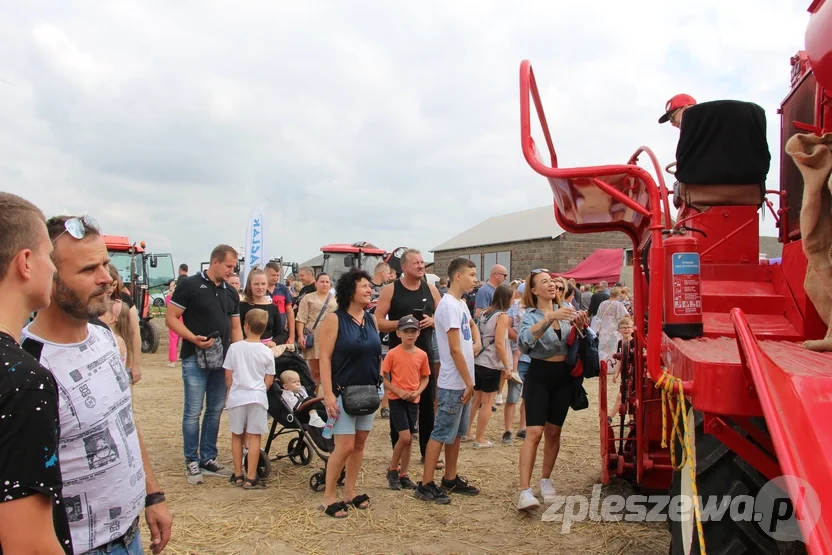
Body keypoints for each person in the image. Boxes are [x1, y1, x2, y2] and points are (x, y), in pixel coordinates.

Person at [23, 214, 172, 554]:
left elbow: (126, 421)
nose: (107, 279)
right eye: (89, 270)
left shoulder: (104, 337)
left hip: (129, 534)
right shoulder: (29, 366)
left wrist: (153, 495)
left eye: (105, 263)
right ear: (50, 275)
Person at [0, 193, 71, 554]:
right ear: (26, 262)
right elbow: (29, 546)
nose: (54, 269)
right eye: (48, 256)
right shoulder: (24, 382)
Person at [166, 245, 243, 485]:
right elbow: (170, 318)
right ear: (215, 262)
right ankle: (191, 458)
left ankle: (208, 458)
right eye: (229, 266)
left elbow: (235, 327)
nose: (232, 271)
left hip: (222, 360)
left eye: (234, 267)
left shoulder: (230, 292)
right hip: (194, 358)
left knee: (215, 410)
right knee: (193, 410)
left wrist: (239, 356)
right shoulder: (189, 285)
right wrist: (192, 338)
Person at [515, 269, 588, 511]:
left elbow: (580, 342)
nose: (551, 285)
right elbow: (524, 342)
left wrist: (581, 326)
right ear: (534, 290)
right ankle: (525, 491)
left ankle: (545, 479)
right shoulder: (530, 315)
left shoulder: (567, 312)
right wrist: (549, 317)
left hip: (563, 377)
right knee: (534, 432)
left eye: (553, 282)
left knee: (554, 433)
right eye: (544, 282)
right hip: (539, 375)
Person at [414, 258, 482, 505]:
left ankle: (450, 477)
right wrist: (468, 381)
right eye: (472, 275)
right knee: (441, 433)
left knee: (455, 435)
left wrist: (477, 341)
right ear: (458, 276)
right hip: (454, 382)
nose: (475, 279)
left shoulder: (460, 304)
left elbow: (472, 326)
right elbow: (454, 349)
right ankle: (425, 483)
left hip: (462, 381)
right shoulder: (450, 306)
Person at [318, 268, 383, 518]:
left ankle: (350, 492)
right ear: (350, 291)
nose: (370, 290)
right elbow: (324, 358)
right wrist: (328, 394)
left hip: (368, 390)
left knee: (359, 444)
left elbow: (376, 354)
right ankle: (328, 497)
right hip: (342, 393)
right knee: (343, 446)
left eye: (370, 286)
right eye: (364, 286)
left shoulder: (371, 319)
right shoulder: (335, 319)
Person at [374, 249, 442, 466]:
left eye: (422, 262)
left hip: (424, 357)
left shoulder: (431, 289)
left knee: (428, 406)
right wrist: (404, 323)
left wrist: (432, 321)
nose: (421, 266)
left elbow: (443, 318)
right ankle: (399, 455)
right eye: (416, 263)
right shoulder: (390, 290)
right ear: (404, 267)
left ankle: (427, 453)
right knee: (399, 403)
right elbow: (377, 321)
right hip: (399, 358)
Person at [223, 308, 276, 490]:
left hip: (237, 396)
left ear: (246, 326)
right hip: (257, 397)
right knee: (254, 437)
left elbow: (228, 376)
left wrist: (234, 389)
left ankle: (238, 474)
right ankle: (251, 476)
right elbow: (269, 379)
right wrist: (260, 388)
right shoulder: (267, 351)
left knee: (237, 435)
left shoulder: (234, 348)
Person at [383, 315, 431, 491]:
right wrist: (398, 391)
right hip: (397, 400)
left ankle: (404, 473)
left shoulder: (422, 355)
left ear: (418, 333)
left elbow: (425, 377)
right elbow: (384, 378)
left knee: (410, 439)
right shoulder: (393, 353)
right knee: (404, 436)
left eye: (413, 331)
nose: (410, 335)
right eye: (406, 331)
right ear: (398, 333)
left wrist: (417, 392)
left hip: (413, 400)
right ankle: (393, 470)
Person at [467, 284, 514, 448]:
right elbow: (500, 343)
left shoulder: (485, 312)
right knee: (487, 402)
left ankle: (467, 431)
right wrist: (507, 366)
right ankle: (479, 438)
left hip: (478, 360)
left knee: (476, 399)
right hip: (491, 363)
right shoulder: (502, 316)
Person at [296, 273, 337, 385]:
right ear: (316, 283)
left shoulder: (335, 299)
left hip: (330, 334)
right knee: (315, 371)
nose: (324, 284)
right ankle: (315, 396)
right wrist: (300, 336)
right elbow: (301, 318)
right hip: (313, 335)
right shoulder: (308, 298)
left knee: (330, 369)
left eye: (327, 282)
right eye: (322, 282)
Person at [239, 269, 281, 347]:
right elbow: (238, 330)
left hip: (268, 349)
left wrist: (274, 342)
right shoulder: (242, 306)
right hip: (247, 348)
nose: (260, 287)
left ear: (267, 285)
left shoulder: (273, 307)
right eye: (256, 284)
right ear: (250, 286)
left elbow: (280, 334)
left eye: (263, 284)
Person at [265, 261, 296, 345]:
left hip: (281, 334)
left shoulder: (283, 289)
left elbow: (290, 312)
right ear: (265, 274)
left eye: (277, 275)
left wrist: (292, 336)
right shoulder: (260, 290)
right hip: (264, 334)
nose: (276, 278)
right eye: (273, 275)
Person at [165, 280, 179, 368]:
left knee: (173, 340)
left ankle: (172, 360)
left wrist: (171, 289)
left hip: (174, 319)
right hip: (183, 318)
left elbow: (167, 301)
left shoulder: (171, 297)